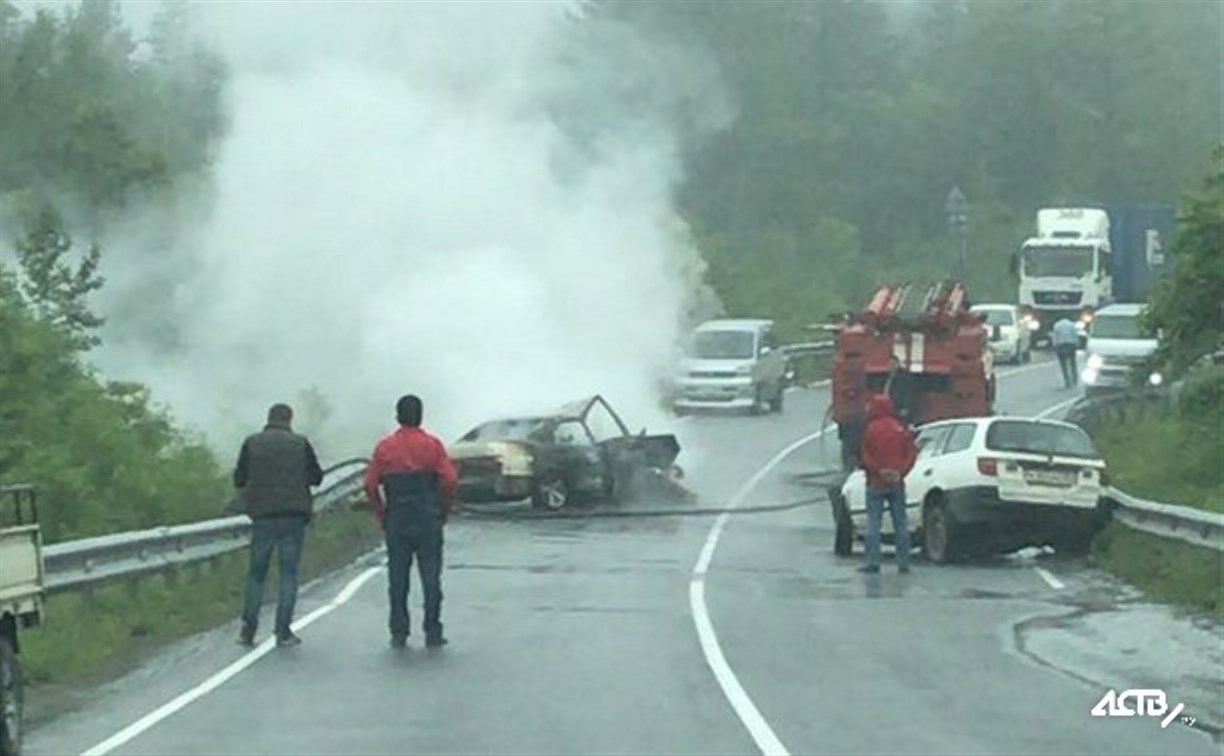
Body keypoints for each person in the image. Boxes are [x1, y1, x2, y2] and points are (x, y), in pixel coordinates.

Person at [364, 394, 458, 649]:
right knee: (430, 577)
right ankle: (432, 629)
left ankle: (399, 630)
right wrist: (442, 510)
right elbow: (449, 480)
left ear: (398, 416)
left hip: (398, 517)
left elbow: (370, 484)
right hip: (427, 516)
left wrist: (381, 514)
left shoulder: (385, 447)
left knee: (397, 578)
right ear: (421, 416)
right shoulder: (433, 445)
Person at [234, 403, 324, 647]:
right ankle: (282, 631)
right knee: (288, 573)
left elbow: (239, 478)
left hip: (262, 515)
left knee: (257, 573)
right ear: (289, 419)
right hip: (293, 516)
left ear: (269, 419)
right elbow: (317, 477)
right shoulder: (300, 443)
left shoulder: (252, 443)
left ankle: (248, 629)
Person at [858, 394, 918, 574]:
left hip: (876, 482)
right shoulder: (901, 428)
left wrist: (879, 471)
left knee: (874, 523)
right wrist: (899, 472)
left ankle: (873, 562)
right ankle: (903, 563)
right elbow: (911, 454)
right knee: (900, 523)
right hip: (897, 482)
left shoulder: (870, 429)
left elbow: (865, 455)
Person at [1051, 316, 1081, 388]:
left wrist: (1054, 345)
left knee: (1063, 364)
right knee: (1072, 363)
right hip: (1070, 344)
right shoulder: (1072, 324)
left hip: (1061, 345)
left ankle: (1067, 381)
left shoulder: (1057, 325)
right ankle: (1075, 378)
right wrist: (1077, 343)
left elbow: (1055, 336)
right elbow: (1075, 335)